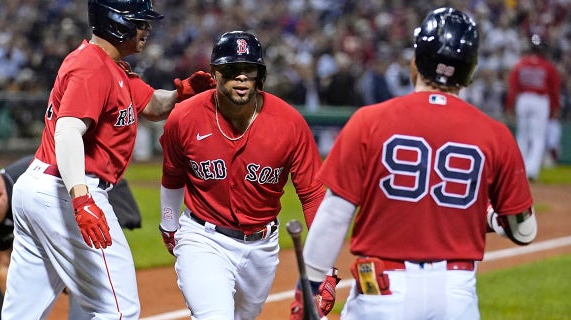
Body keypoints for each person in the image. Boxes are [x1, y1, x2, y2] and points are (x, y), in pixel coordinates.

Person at [293, 7, 537, 320]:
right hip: (455, 293)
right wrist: (488, 217)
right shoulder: (496, 134)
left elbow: (334, 215)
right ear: (470, 70)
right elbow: (524, 231)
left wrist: (308, 290)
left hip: (383, 292)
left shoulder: (369, 122)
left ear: (416, 59)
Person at [0, 1, 215, 319]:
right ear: (117, 23)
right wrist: (81, 199)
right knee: (118, 309)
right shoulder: (92, 67)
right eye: (139, 22)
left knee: (22, 313)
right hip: (67, 188)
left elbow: (151, 106)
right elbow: (69, 131)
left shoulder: (111, 66)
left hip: (41, 189)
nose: (146, 29)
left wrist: (179, 95)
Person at [157, 30, 338, 319]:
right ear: (215, 73)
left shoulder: (289, 123)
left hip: (262, 247)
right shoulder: (185, 117)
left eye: (248, 70)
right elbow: (172, 173)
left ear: (260, 76)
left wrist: (325, 267)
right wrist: (168, 224)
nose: (241, 78)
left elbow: (314, 194)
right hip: (203, 238)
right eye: (231, 70)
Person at [0, 155, 142, 320]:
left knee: (90, 282)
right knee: (9, 305)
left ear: (0, 194)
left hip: (93, 199)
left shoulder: (32, 184)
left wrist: (69, 276)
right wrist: (22, 301)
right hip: (56, 218)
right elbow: (3, 264)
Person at [506, 33, 561, 181]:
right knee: (538, 137)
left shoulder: (520, 64)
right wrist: (555, 107)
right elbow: (554, 89)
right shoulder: (548, 67)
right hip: (539, 100)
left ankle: (519, 171)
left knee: (522, 136)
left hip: (523, 99)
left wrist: (510, 105)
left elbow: (513, 87)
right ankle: (531, 171)